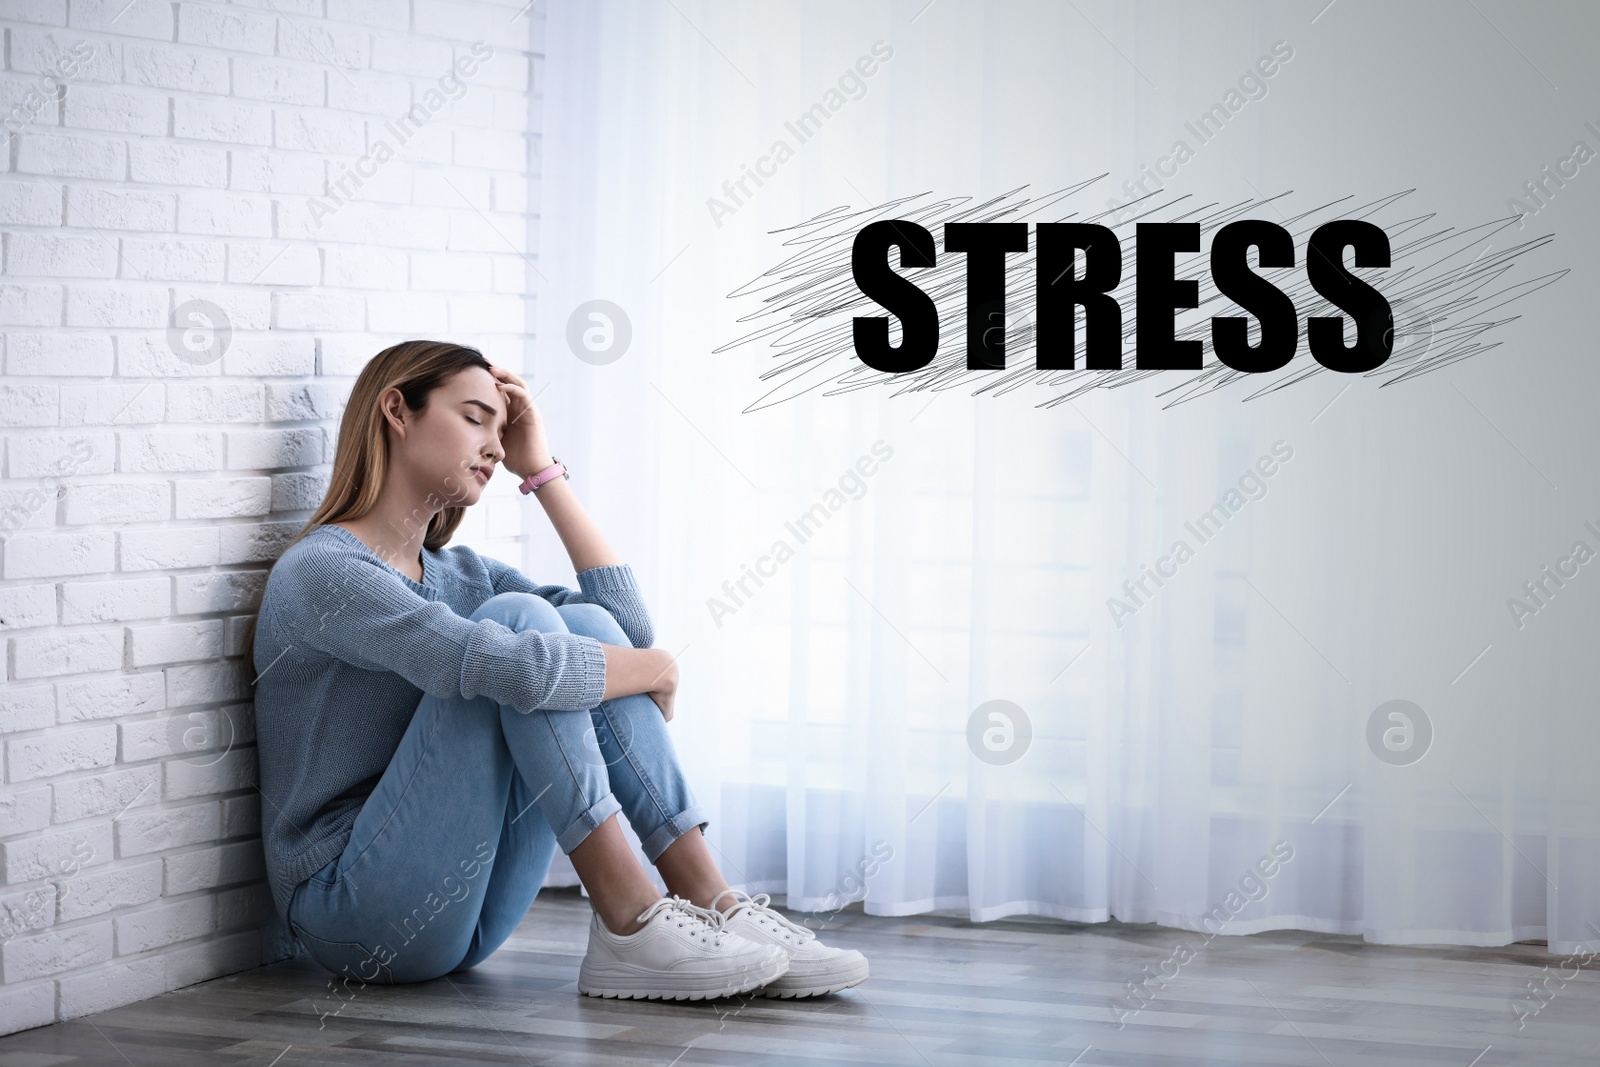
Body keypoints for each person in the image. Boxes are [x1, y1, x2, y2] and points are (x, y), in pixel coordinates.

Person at [248, 340, 868, 1000]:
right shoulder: (327, 573)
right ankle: (628, 916)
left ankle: (710, 896)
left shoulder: (464, 575)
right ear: (397, 410)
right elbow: (536, 664)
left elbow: (623, 633)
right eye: (475, 417)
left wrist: (541, 470)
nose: (494, 444)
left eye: (503, 428)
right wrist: (652, 667)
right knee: (520, 629)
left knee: (583, 632)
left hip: (470, 909)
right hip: (355, 913)